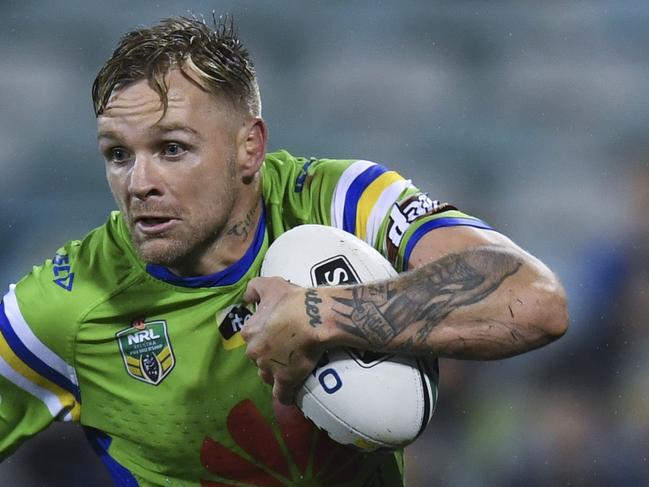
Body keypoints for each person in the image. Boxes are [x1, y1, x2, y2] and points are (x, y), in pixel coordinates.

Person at [0, 15, 568, 487]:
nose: (138, 182)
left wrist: (321, 313)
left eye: (172, 148)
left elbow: (536, 299)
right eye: (118, 154)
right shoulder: (66, 306)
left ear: (250, 147)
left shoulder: (340, 201)